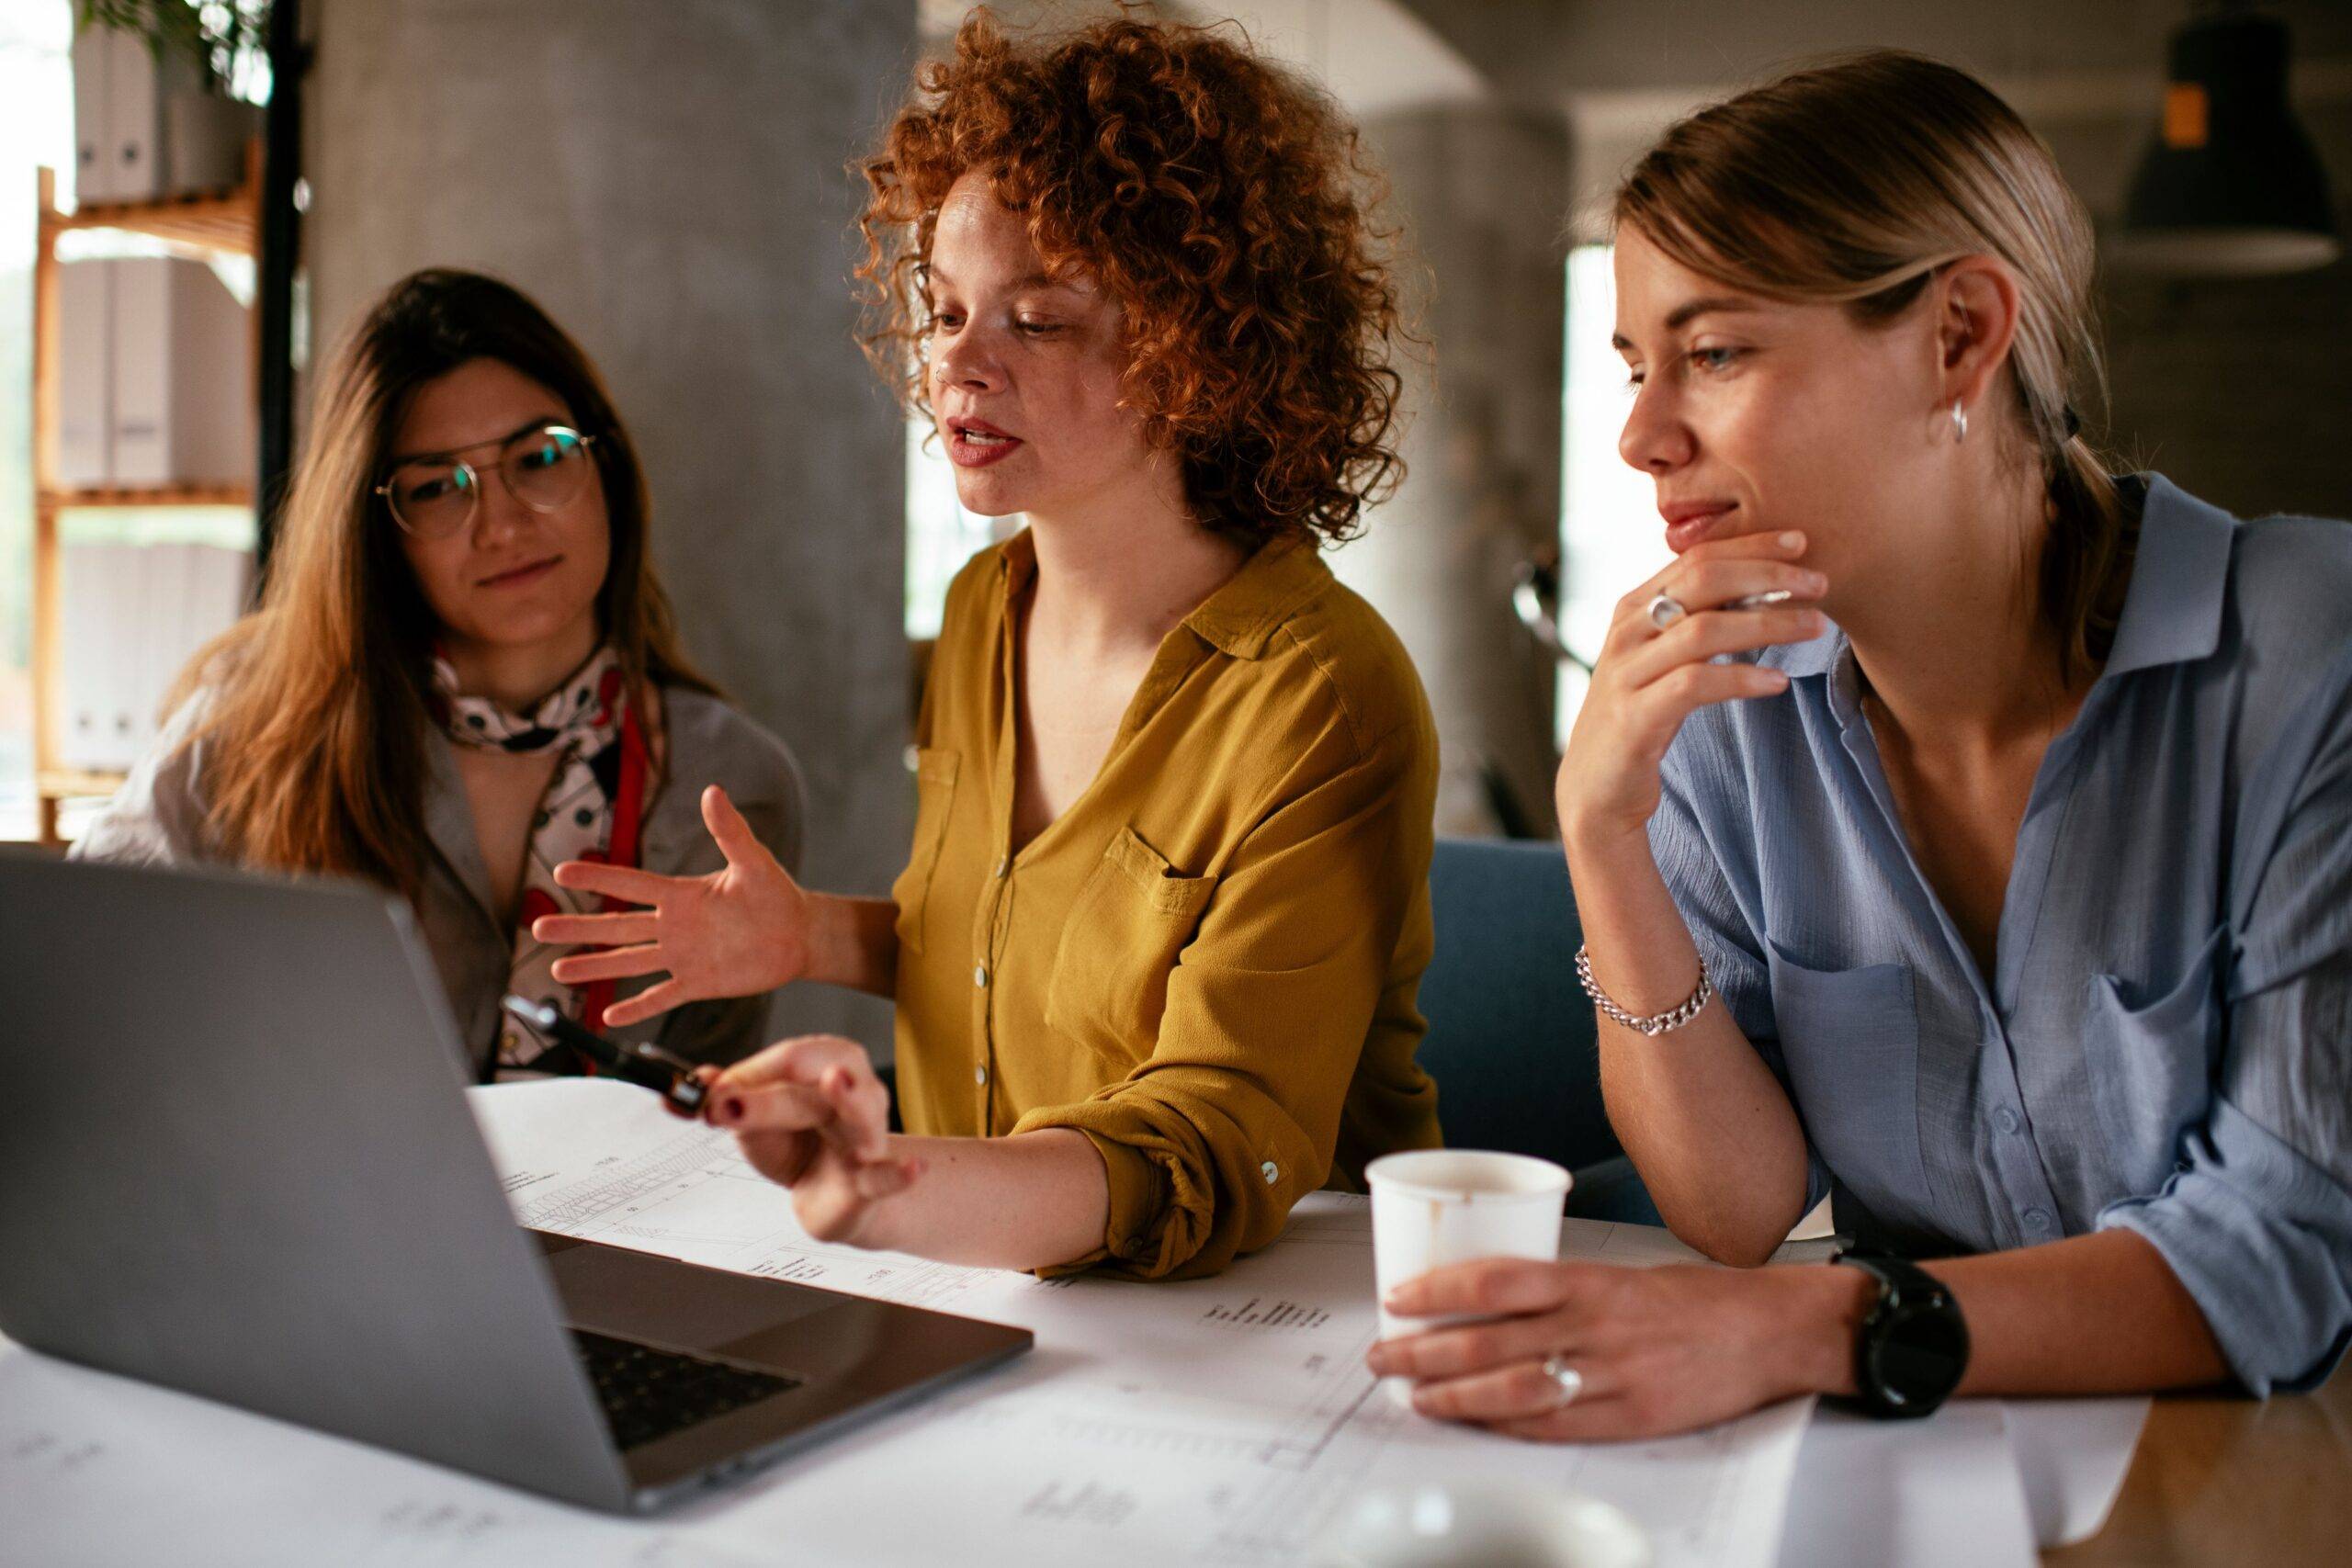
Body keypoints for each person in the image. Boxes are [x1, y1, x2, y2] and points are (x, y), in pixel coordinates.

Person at [1370, 51, 2352, 1438]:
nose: (1644, 435)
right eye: (1637, 365)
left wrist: (1804, 1326)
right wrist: (1603, 837)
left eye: (1713, 352)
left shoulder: (2313, 668)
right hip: (1919, 1457)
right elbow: (1737, 1208)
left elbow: (2289, 1248)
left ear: (1958, 335)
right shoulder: (1729, 713)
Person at [536, 12, 1442, 1279]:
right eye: (947, 308)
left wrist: (900, 1186)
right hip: (975, 1269)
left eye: (1038, 319)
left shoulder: (1323, 693)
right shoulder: (982, 612)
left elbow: (1216, 1132)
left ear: (1202, 349)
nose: (957, 360)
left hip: (1253, 1321)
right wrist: (816, 939)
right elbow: (991, 937)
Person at [75, 269, 806, 1078]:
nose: (502, 525)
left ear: (606, 466)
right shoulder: (256, 726)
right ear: (375, 528)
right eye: (435, 487)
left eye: (538, 458)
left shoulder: (732, 783)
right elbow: (79, 971)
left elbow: (711, 1127)